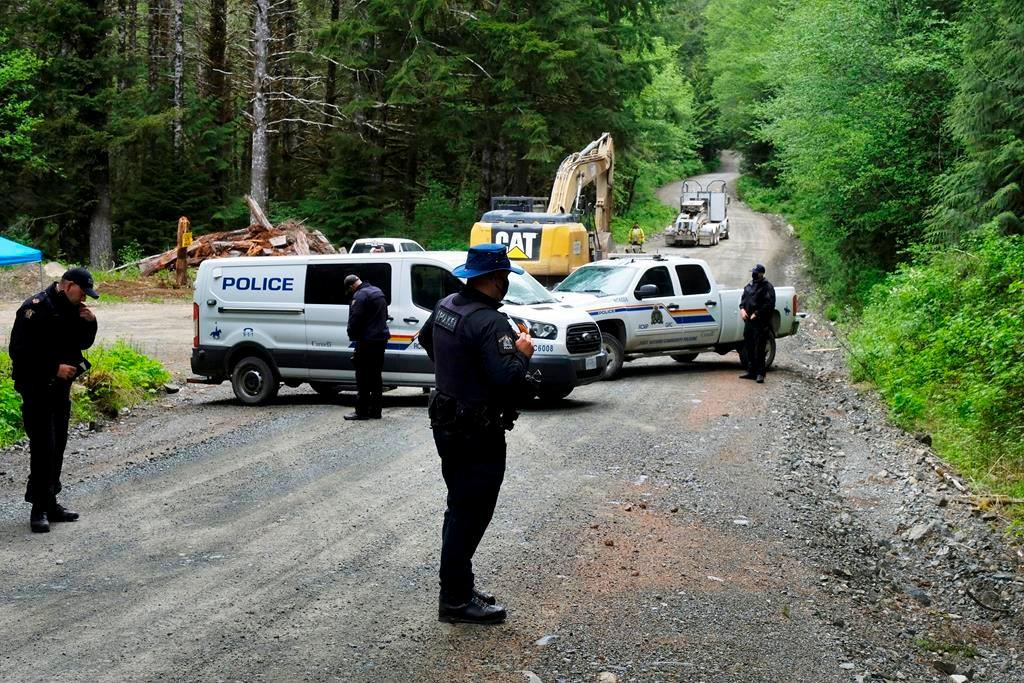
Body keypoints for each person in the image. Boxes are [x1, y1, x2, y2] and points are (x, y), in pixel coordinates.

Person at [418, 244, 534, 625]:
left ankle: (459, 587)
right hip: (476, 432)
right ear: (495, 279)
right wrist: (523, 353)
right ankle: (454, 601)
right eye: (504, 278)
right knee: (471, 513)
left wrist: (458, 372)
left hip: (447, 423)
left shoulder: (448, 304)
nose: (505, 284)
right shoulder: (491, 322)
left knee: (459, 508)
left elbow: (425, 339)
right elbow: (507, 382)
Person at [9, 267, 99, 533]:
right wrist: (53, 368)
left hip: (60, 389)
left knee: (58, 443)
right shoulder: (35, 308)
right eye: (82, 292)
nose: (84, 298)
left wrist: (90, 322)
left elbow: (81, 344)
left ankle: (51, 502)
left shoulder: (72, 309)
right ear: (68, 285)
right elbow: (19, 352)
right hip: (36, 387)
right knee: (43, 447)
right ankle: (38, 509)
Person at [344, 274, 389, 420]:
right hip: (380, 340)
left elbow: (355, 318)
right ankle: (376, 411)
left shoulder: (360, 296)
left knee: (362, 376)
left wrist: (352, 334)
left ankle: (361, 412)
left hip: (367, 341)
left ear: (351, 286)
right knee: (376, 376)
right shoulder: (377, 291)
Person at [739, 263, 776, 384]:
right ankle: (751, 371)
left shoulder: (767, 287)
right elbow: (743, 300)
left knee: (760, 348)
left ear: (761, 274)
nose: (754, 274)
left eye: (756, 272)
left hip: (760, 322)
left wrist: (757, 313)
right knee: (749, 346)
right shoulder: (749, 286)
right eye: (753, 272)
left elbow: (769, 304)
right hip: (748, 321)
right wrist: (742, 310)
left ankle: (760, 373)